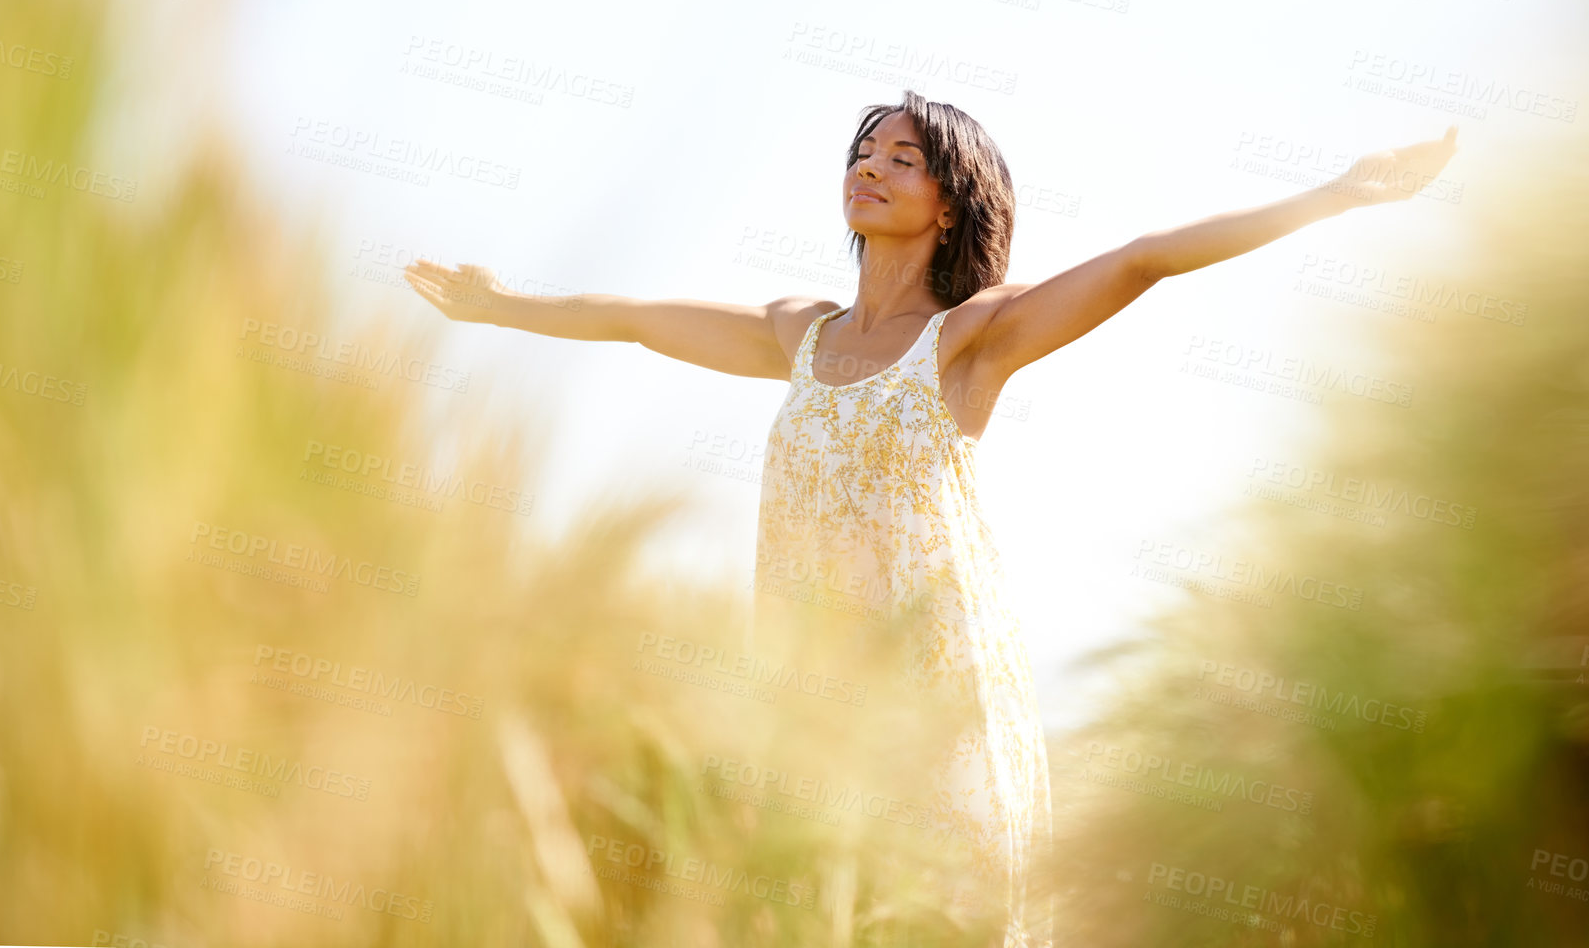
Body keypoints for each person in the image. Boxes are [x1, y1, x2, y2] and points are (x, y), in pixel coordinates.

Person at [404, 88, 1459, 946]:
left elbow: (1142, 259)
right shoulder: (798, 334)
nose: (866, 166)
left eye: (899, 157)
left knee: (942, 911)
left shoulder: (969, 340)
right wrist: (501, 307)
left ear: (949, 201)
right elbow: (634, 322)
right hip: (811, 687)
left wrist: (1334, 195)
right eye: (862, 151)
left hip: (936, 687)